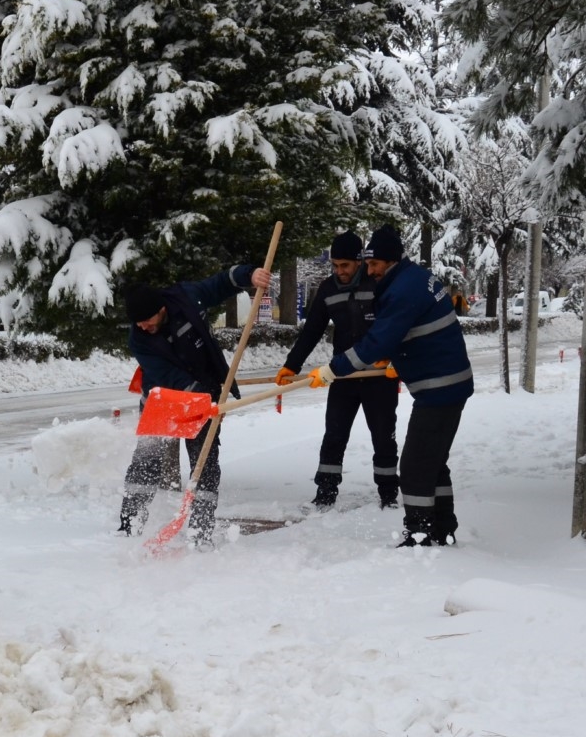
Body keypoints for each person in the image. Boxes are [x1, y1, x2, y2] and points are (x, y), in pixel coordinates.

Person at [308, 225, 473, 546]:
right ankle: (442, 527)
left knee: (414, 466)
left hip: (440, 388)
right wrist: (395, 357)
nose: (369, 271)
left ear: (391, 261)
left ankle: (421, 533)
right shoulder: (411, 278)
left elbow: (377, 339)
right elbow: (409, 332)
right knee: (434, 460)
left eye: (374, 265)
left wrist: (332, 370)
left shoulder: (403, 290)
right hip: (444, 383)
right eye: (367, 264)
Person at [118, 262, 273, 543]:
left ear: (160, 308)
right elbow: (166, 376)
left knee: (205, 464)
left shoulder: (186, 298)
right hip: (162, 399)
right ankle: (130, 524)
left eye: (146, 319)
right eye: (138, 322)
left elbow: (219, 283)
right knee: (146, 462)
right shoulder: (138, 338)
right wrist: (204, 399)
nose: (142, 326)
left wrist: (249, 276)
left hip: (206, 392)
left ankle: (200, 531)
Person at [274, 230, 399, 509]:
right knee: (334, 434)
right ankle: (325, 494)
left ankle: (388, 495)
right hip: (343, 374)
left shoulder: (378, 283)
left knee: (383, 435)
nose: (339, 271)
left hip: (379, 376)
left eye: (345, 265)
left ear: (359, 262)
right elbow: (312, 330)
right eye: (335, 265)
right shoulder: (328, 289)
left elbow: (397, 325)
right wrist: (291, 365)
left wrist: (395, 359)